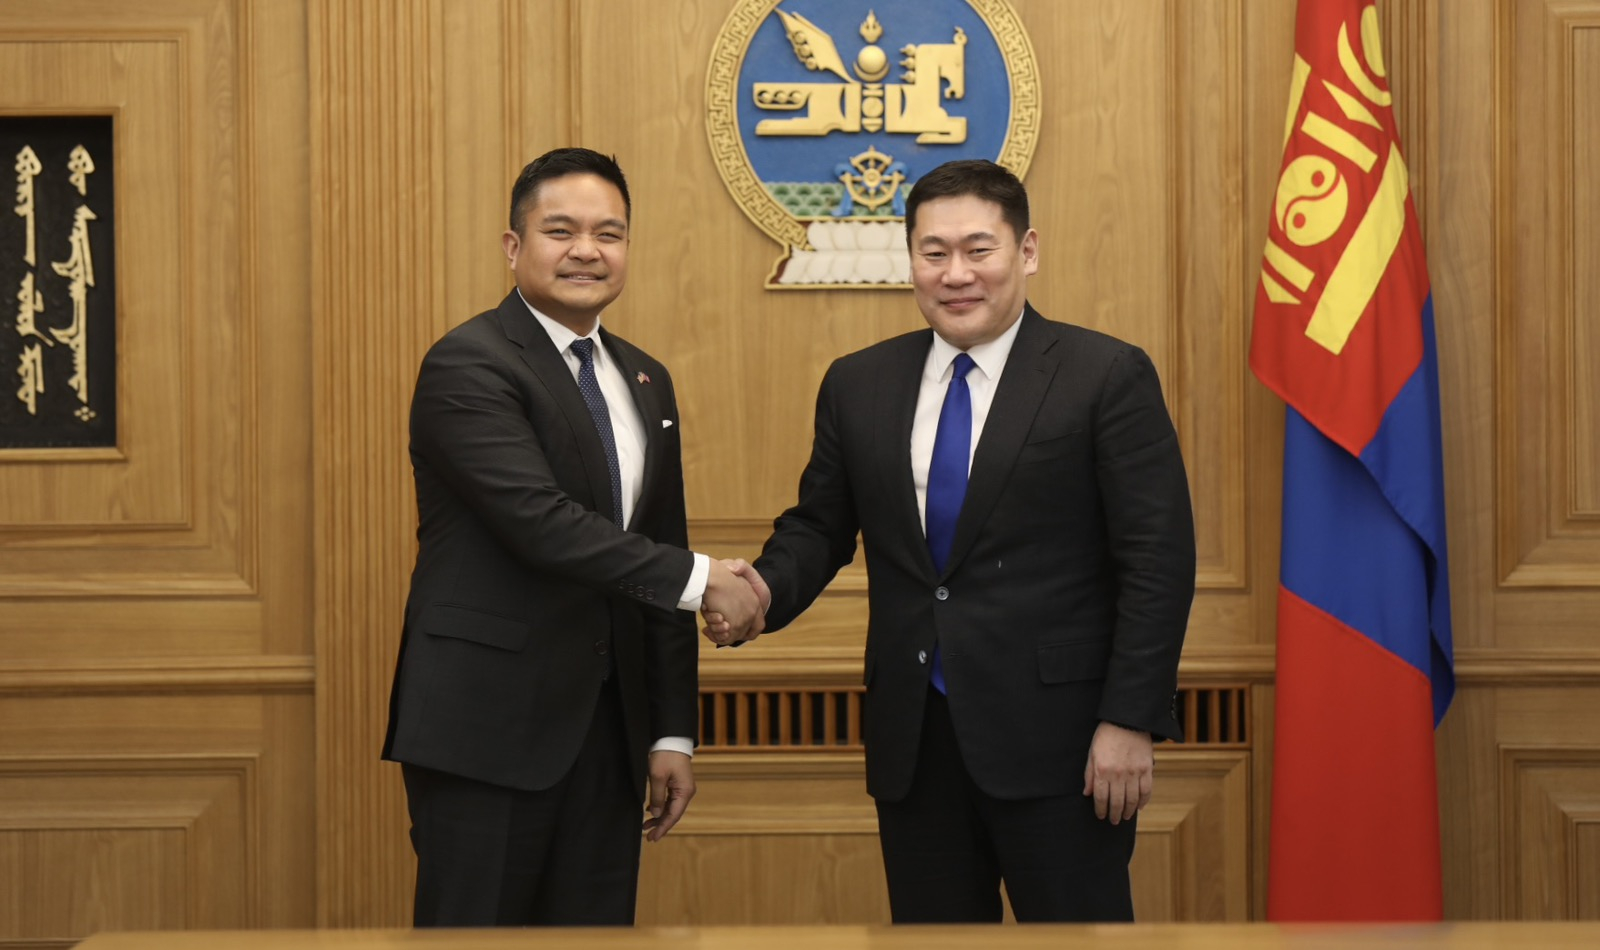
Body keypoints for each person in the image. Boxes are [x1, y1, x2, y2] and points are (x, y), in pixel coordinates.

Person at [709, 159, 1196, 923]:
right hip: (916, 743)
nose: (956, 274)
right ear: (910, 260)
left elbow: (1157, 561)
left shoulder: (1104, 375)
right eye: (933, 253)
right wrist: (761, 591)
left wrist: (1131, 718)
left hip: (1066, 745)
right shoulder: (860, 383)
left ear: (1026, 251)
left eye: (979, 249)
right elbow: (820, 527)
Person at [382, 147, 763, 927]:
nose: (587, 250)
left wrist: (671, 732)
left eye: (608, 233)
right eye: (561, 231)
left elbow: (658, 544)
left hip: (607, 735)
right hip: (486, 730)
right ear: (513, 246)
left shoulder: (645, 378)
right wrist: (706, 582)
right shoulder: (469, 364)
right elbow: (541, 523)